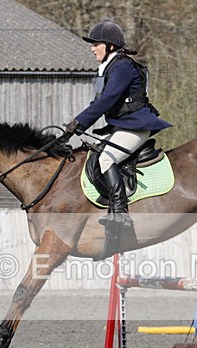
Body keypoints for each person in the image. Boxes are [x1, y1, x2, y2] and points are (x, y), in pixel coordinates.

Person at [62, 20, 171, 246]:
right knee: (90, 153)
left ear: (110, 46)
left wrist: (79, 122)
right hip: (121, 126)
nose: (92, 49)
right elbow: (99, 101)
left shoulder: (122, 67)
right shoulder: (109, 67)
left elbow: (107, 100)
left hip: (136, 126)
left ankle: (120, 212)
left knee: (106, 158)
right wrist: (74, 129)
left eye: (96, 44)